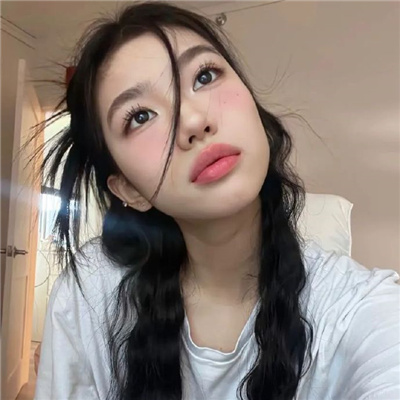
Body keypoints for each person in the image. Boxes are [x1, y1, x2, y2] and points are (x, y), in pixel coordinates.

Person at [34, 2, 400, 400]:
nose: (194, 121)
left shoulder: (358, 309)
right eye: (140, 116)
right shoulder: (91, 295)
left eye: (204, 76)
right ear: (128, 189)